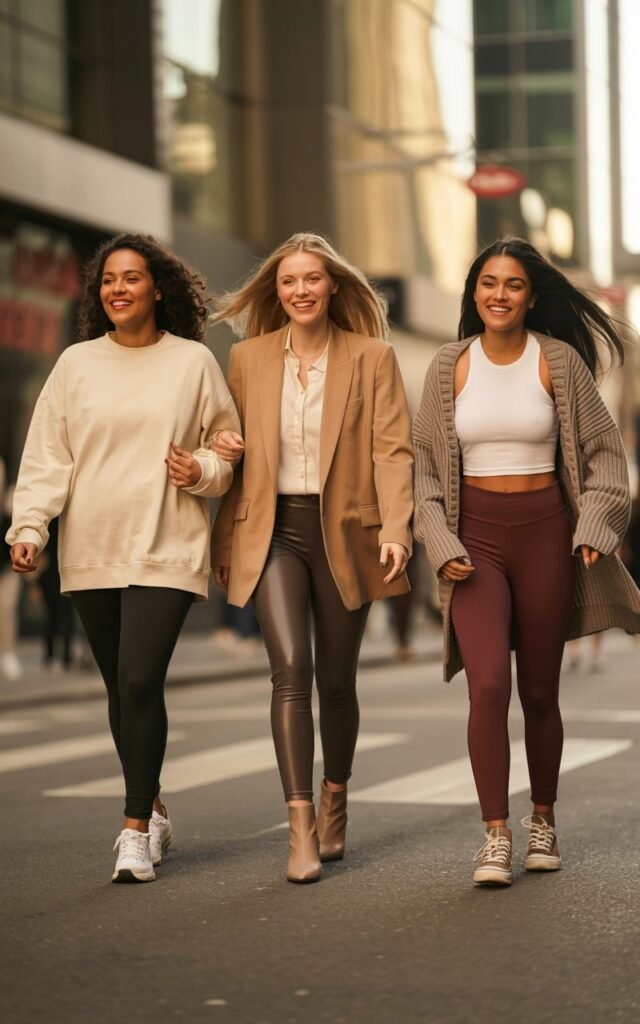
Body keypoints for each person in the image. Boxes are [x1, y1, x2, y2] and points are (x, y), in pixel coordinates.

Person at [7, 233, 240, 884]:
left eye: (131, 278)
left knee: (140, 679)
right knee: (120, 688)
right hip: (92, 546)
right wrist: (31, 526)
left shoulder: (192, 363)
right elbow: (48, 456)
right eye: (108, 279)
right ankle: (155, 800)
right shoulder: (76, 365)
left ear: (156, 288)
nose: (118, 289)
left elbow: (227, 455)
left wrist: (200, 468)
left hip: (167, 542)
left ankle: (134, 828)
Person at [412, 237, 640, 887]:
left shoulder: (559, 362)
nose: (499, 295)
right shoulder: (447, 365)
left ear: (531, 296)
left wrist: (595, 522)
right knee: (488, 685)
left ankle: (542, 818)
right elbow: (424, 469)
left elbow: (605, 456)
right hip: (475, 540)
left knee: (540, 689)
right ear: (473, 293)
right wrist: (441, 539)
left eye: (513, 285)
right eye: (488, 283)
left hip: (547, 534)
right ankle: (494, 834)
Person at [210, 232, 413, 883]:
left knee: (335, 680)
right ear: (278, 290)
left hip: (347, 531)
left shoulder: (372, 357)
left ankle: (335, 796)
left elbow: (393, 451)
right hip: (272, 531)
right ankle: (299, 825)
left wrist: (398, 529)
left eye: (311, 279)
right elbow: (234, 459)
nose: (300, 290)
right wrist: (223, 540)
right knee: (290, 668)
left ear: (332, 287)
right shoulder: (247, 358)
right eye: (289, 280)